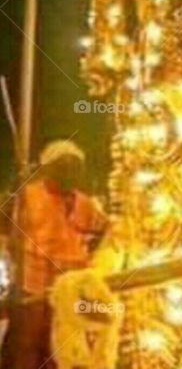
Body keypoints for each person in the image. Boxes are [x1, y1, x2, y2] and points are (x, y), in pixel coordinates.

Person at [0, 140, 107, 369]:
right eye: (63, 166)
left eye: (75, 166)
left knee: (60, 346)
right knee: (26, 344)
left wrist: (91, 256)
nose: (70, 172)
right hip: (33, 285)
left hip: (69, 288)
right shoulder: (26, 195)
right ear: (47, 168)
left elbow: (103, 229)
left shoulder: (85, 203)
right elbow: (3, 223)